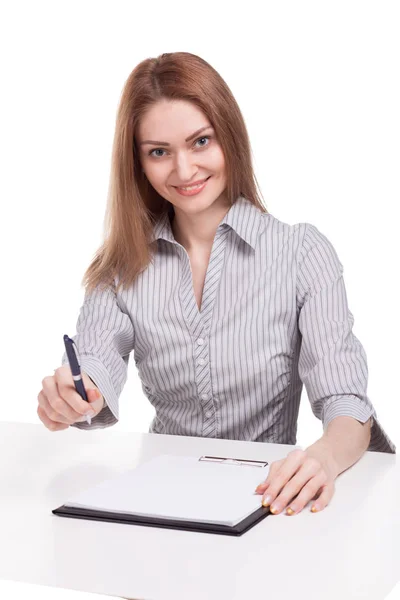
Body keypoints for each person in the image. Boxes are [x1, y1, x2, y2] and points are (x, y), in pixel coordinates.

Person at [37, 52, 395, 517]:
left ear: (229, 137)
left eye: (200, 142)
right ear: (138, 163)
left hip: (266, 505)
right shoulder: (119, 268)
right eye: (159, 152)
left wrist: (321, 460)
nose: (184, 171)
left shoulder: (301, 254)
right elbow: (94, 363)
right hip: (161, 506)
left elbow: (347, 406)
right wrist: (74, 396)